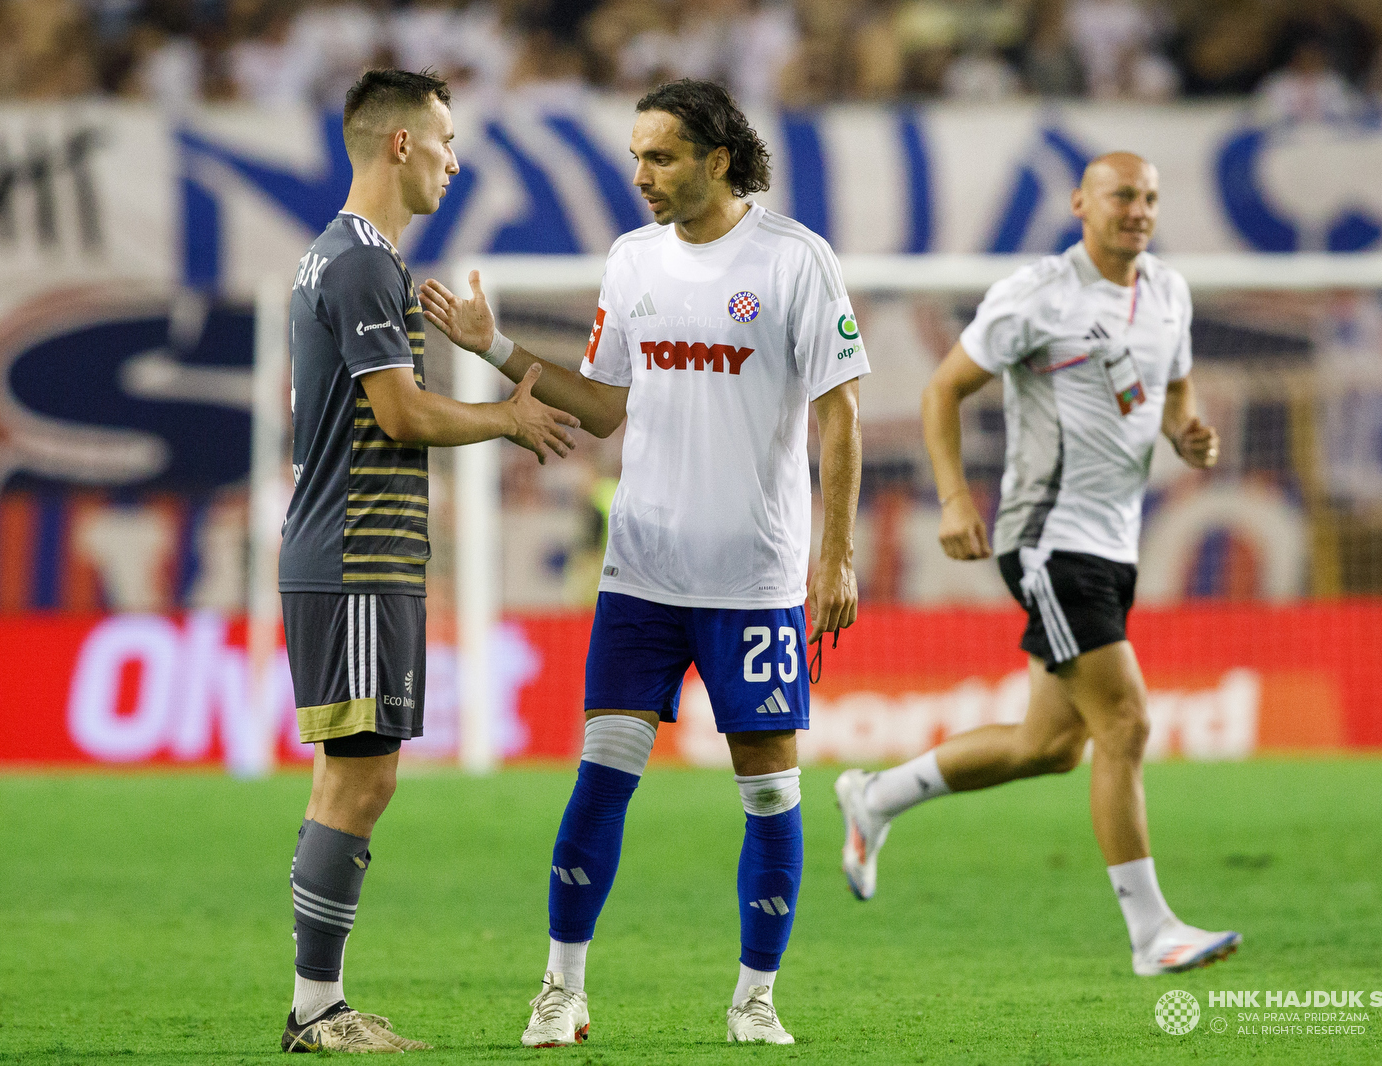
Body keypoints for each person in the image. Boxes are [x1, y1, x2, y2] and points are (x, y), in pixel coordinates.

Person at [420, 78, 867, 1046]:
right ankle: (560, 991)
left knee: (769, 790)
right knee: (601, 774)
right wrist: (492, 347)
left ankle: (754, 999)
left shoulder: (795, 260)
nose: (641, 176)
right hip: (641, 575)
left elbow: (840, 411)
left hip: (753, 580)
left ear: (718, 157)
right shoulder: (631, 263)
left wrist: (833, 556)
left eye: (659, 157)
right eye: (635, 156)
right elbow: (606, 405)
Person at [835, 152, 1242, 978]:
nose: (1139, 210)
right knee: (1126, 722)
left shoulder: (1168, 293)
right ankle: (1150, 932)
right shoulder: (1037, 296)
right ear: (1081, 203)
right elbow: (942, 389)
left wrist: (1188, 431)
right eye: (1123, 195)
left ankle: (876, 796)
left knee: (1050, 745)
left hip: (1115, 544)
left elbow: (1174, 396)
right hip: (1049, 539)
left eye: (1152, 198)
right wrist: (953, 499)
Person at [278, 68, 580, 1054]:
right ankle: (317, 1008)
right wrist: (507, 418)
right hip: (355, 553)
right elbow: (400, 411)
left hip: (352, 552)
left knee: (348, 778)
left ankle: (316, 1003)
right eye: (446, 139)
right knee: (363, 781)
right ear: (400, 143)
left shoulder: (340, 258)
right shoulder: (363, 262)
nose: (456, 158)